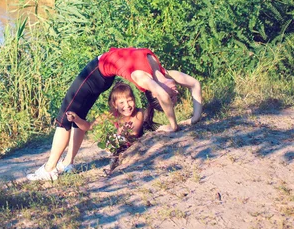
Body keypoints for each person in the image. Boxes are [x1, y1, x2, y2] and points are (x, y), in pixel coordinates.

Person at [26, 47, 202, 181]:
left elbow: (163, 94)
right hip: (104, 75)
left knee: (65, 117)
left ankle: (49, 169)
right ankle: (67, 164)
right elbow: (195, 84)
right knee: (78, 114)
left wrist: (173, 126)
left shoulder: (144, 79)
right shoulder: (164, 73)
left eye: (171, 97)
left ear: (155, 94)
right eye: (174, 95)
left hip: (96, 72)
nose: (176, 92)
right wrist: (195, 118)